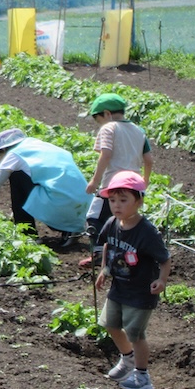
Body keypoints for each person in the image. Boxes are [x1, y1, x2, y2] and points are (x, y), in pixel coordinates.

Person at [94, 170, 171, 389]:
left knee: (135, 333)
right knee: (110, 324)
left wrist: (162, 280)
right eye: (112, 200)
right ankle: (126, 360)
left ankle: (142, 376)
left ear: (138, 201)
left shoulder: (146, 232)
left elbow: (165, 259)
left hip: (140, 292)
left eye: (123, 200)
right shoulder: (112, 223)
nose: (116, 206)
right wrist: (104, 269)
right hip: (119, 286)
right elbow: (108, 244)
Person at [0, 128, 91, 245]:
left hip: (60, 208)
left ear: (4, 148)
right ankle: (69, 229)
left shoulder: (14, 155)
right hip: (85, 208)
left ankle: (28, 235)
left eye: (0, 152)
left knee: (16, 176)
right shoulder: (41, 146)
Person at [81, 93, 155, 268]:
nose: (99, 124)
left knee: (94, 219)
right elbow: (149, 159)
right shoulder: (139, 131)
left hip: (113, 183)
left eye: (98, 120)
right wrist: (144, 180)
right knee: (124, 220)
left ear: (106, 114)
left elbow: (105, 155)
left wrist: (95, 181)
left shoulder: (109, 128)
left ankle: (99, 257)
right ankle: (126, 254)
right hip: (133, 184)